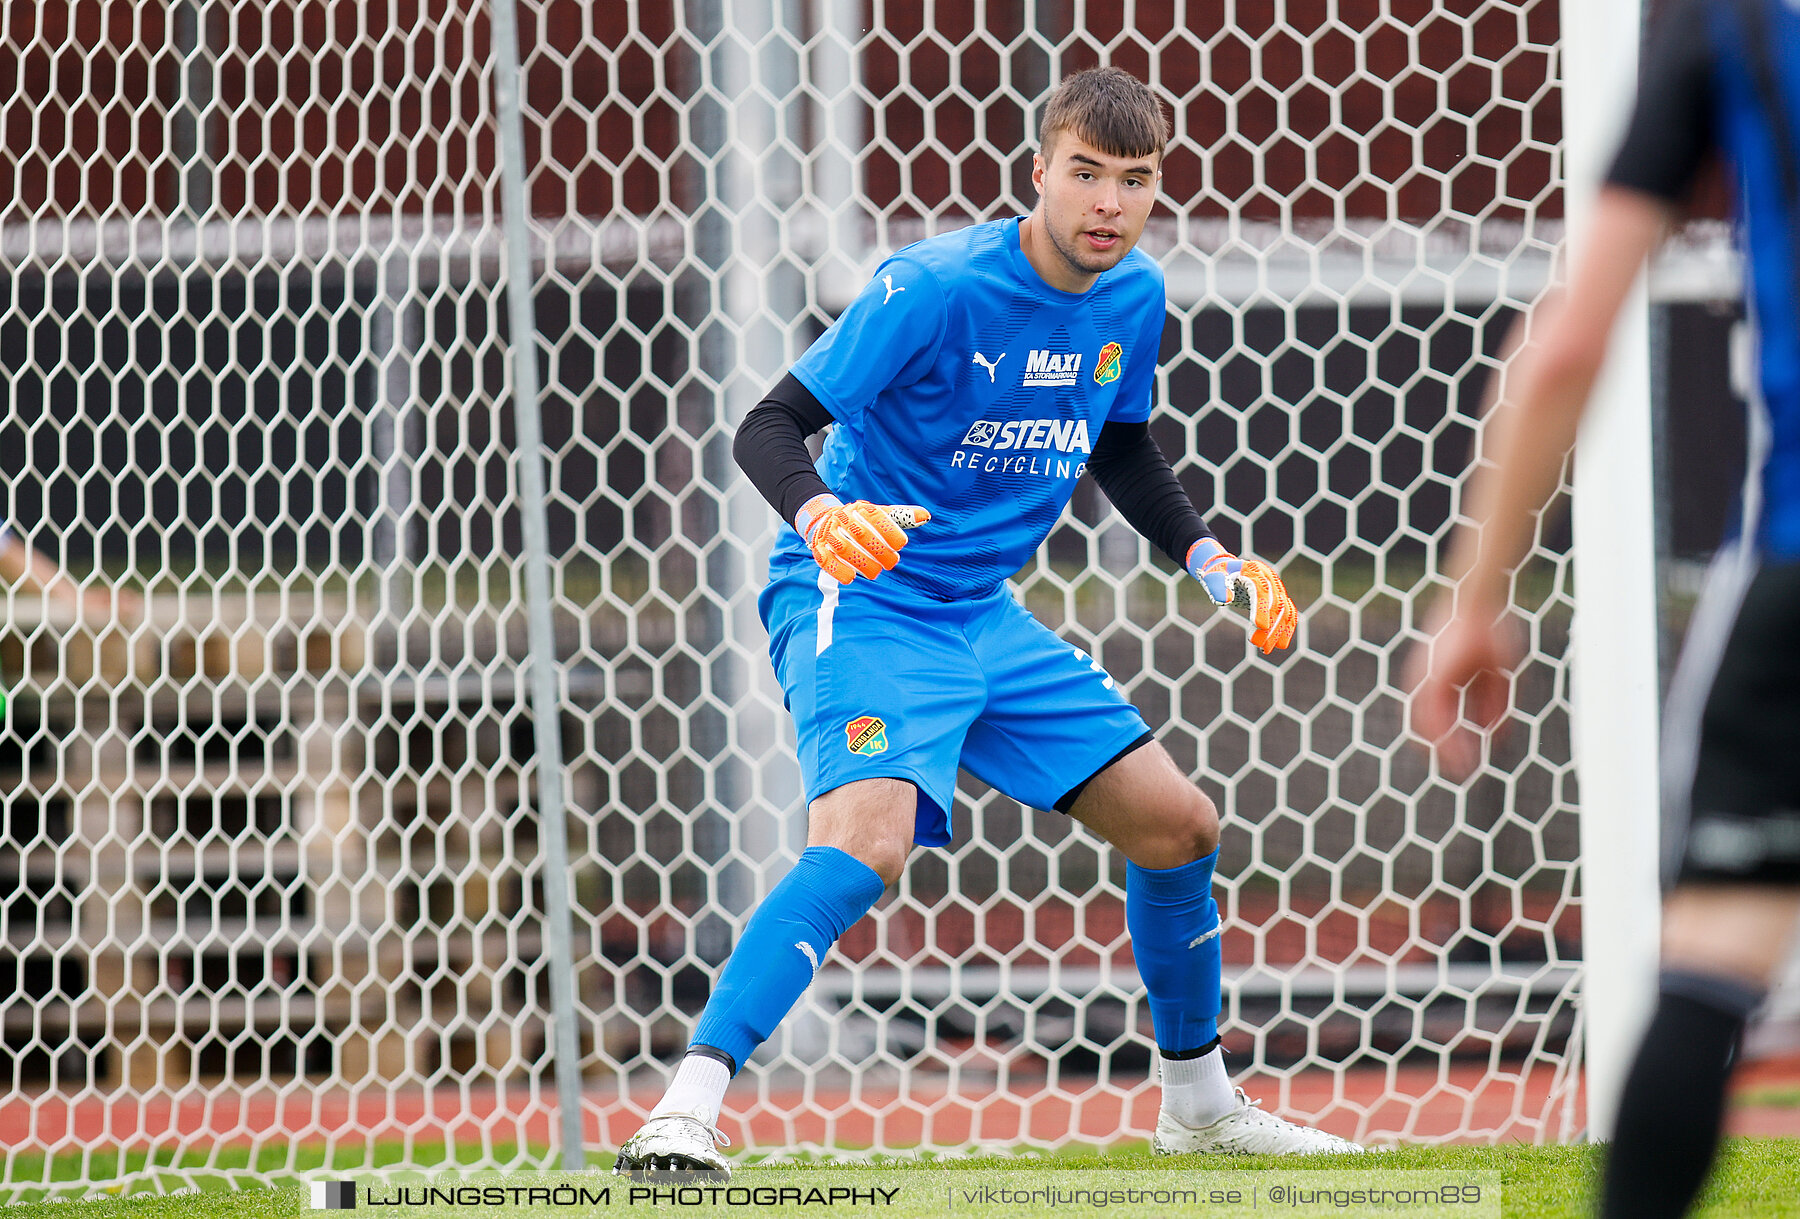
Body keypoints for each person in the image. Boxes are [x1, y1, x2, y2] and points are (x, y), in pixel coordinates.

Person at [614, 65, 1360, 1176]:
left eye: (1136, 180)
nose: (1109, 203)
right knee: (867, 840)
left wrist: (1212, 559)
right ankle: (683, 1108)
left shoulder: (1134, 295)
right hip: (864, 599)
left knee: (1180, 825)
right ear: (1040, 171)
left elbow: (1120, 442)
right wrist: (822, 517)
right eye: (1087, 174)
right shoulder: (932, 286)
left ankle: (1200, 1104)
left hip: (982, 614)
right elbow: (769, 425)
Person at [1406, 2, 1800, 1215]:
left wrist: (1477, 599)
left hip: (1794, 575)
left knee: (1714, 964)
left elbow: (1568, 342)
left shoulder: (1735, 35)